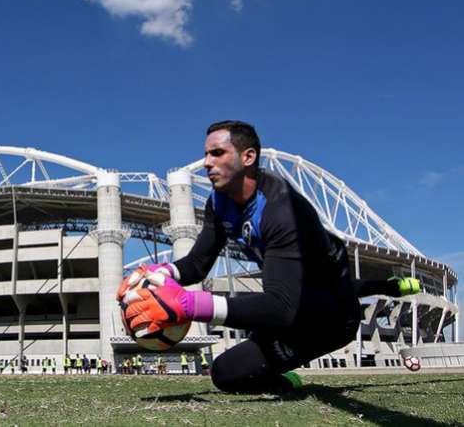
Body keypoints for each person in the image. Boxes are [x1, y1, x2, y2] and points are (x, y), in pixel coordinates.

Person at [118, 120, 421, 394]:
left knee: (325, 292)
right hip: (298, 296)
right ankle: (386, 288)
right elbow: (198, 264)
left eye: (217, 154)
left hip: (328, 319)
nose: (206, 163)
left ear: (248, 157)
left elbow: (282, 308)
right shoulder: (219, 201)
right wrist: (159, 273)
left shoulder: (282, 209)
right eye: (206, 154)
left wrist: (190, 305)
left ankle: (386, 287)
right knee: (225, 375)